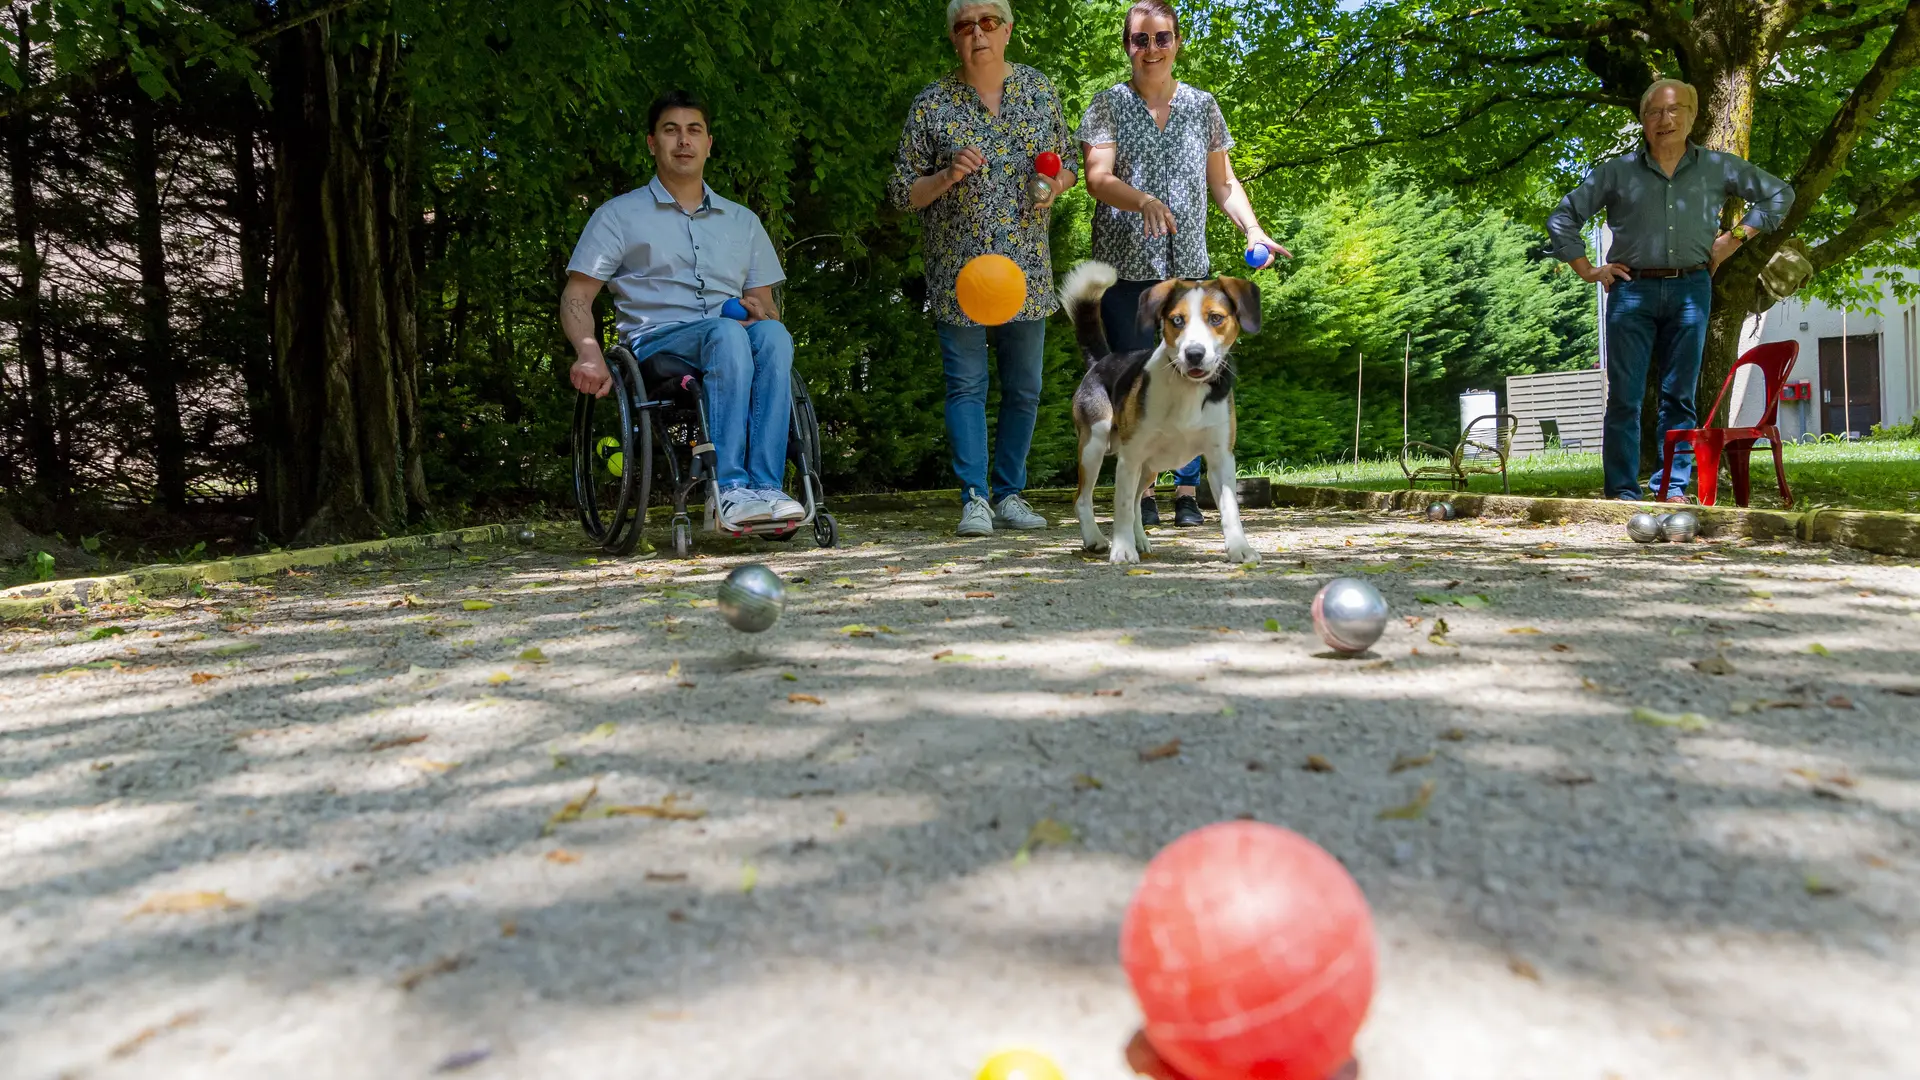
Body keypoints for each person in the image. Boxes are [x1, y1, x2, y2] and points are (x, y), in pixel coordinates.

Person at [1080, 0, 1288, 529]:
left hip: (1187, 271)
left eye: (1161, 38)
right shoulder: (1106, 104)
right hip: (1128, 270)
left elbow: (1223, 184)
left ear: (1177, 42)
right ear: (1127, 45)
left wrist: (1254, 228)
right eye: (1140, 40)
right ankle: (1141, 494)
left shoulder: (1203, 106)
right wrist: (1142, 200)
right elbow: (1098, 178)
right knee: (1137, 388)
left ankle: (1188, 494)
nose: (1151, 49)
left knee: (1198, 375)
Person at [561, 90, 801, 531]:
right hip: (656, 344)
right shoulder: (619, 215)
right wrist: (588, 350)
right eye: (671, 131)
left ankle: (765, 487)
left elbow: (765, 306)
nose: (684, 141)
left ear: (709, 143)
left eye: (694, 131)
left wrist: (756, 310)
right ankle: (726, 489)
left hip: (731, 338)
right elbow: (578, 295)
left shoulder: (742, 221)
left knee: (774, 336)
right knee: (726, 335)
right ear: (653, 143)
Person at [1546, 78, 1793, 503]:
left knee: (1680, 396)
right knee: (1624, 396)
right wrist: (1587, 270)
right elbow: (1563, 218)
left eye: (1676, 109)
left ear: (1693, 116)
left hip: (1692, 288)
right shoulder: (1616, 171)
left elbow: (1778, 194)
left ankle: (1672, 487)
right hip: (1631, 291)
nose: (1666, 119)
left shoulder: (1719, 166)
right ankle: (1622, 492)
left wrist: (1733, 238)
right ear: (1643, 120)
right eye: (1656, 112)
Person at [889, 0, 1078, 537]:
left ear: (1008, 30)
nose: (978, 33)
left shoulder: (1039, 91)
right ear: (953, 38)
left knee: (1024, 388)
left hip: (1026, 271)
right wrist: (947, 175)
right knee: (966, 387)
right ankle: (974, 498)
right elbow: (904, 192)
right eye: (965, 25)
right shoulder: (932, 105)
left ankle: (1010, 494)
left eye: (989, 22)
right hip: (959, 274)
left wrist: (1053, 186)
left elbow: (1065, 165)